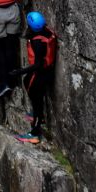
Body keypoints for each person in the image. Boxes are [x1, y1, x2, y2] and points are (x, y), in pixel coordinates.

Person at [11, 12, 57, 144]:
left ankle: (35, 133)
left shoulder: (37, 42)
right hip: (46, 71)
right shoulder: (46, 32)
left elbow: (37, 65)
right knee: (28, 83)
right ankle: (38, 117)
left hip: (40, 73)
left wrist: (19, 71)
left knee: (36, 99)